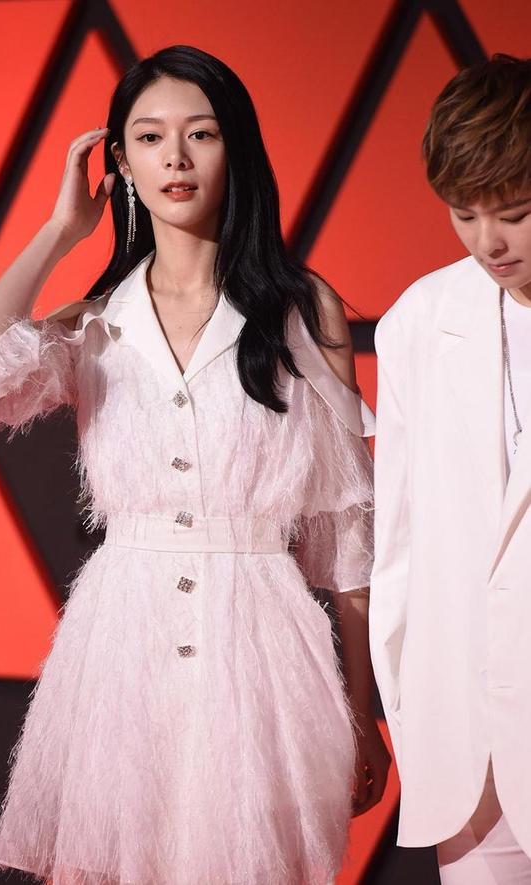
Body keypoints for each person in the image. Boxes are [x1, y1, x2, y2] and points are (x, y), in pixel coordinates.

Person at [0, 45, 389, 885]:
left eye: (200, 134)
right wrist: (60, 232)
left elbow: (348, 530)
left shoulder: (301, 309)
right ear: (122, 164)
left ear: (235, 149)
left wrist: (362, 710)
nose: (176, 157)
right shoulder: (96, 320)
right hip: (120, 641)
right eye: (150, 137)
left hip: (262, 644)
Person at [369, 53, 531, 884]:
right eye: (464, 214)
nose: (487, 242)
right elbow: (397, 545)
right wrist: (415, 719)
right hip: (471, 754)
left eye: (517, 213)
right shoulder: (419, 323)